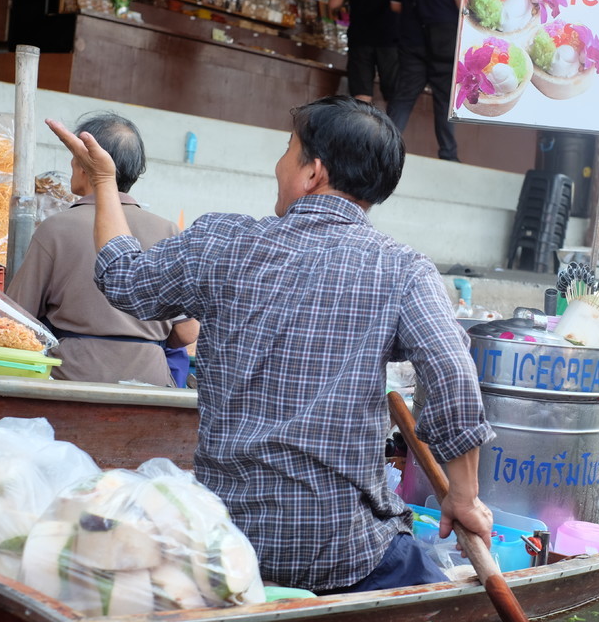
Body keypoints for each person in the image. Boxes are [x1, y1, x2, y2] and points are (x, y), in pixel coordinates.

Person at [45, 96, 494, 593]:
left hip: (228, 543)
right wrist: (465, 496)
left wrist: (105, 184)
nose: (279, 164)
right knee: (421, 569)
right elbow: (453, 374)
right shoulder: (405, 269)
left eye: (288, 149)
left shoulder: (222, 242)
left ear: (312, 174)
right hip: (344, 549)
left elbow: (123, 278)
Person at [6, 112, 198, 387]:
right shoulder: (169, 231)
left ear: (86, 164)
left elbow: (16, 321)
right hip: (152, 385)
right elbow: (187, 333)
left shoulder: (56, 228)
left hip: (71, 381)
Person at [387, 0, 464, 162]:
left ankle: (384, 146)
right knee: (444, 100)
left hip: (412, 42)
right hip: (444, 44)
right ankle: (448, 154)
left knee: (404, 97)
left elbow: (395, 6)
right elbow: (462, 5)